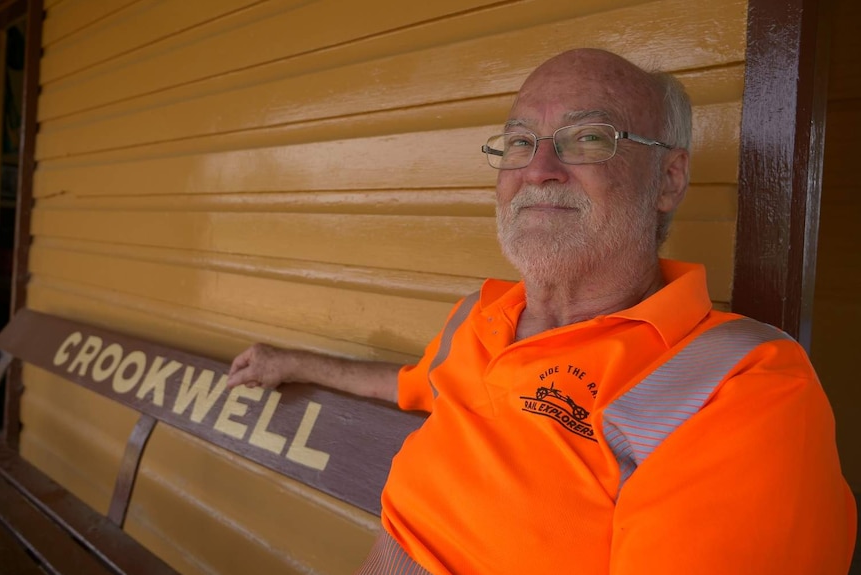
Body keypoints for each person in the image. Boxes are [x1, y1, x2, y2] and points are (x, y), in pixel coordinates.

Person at [227, 48, 856, 574]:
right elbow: (414, 384)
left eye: (588, 138)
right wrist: (292, 361)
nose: (538, 170)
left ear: (667, 179)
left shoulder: (738, 389)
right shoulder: (484, 313)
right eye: (521, 141)